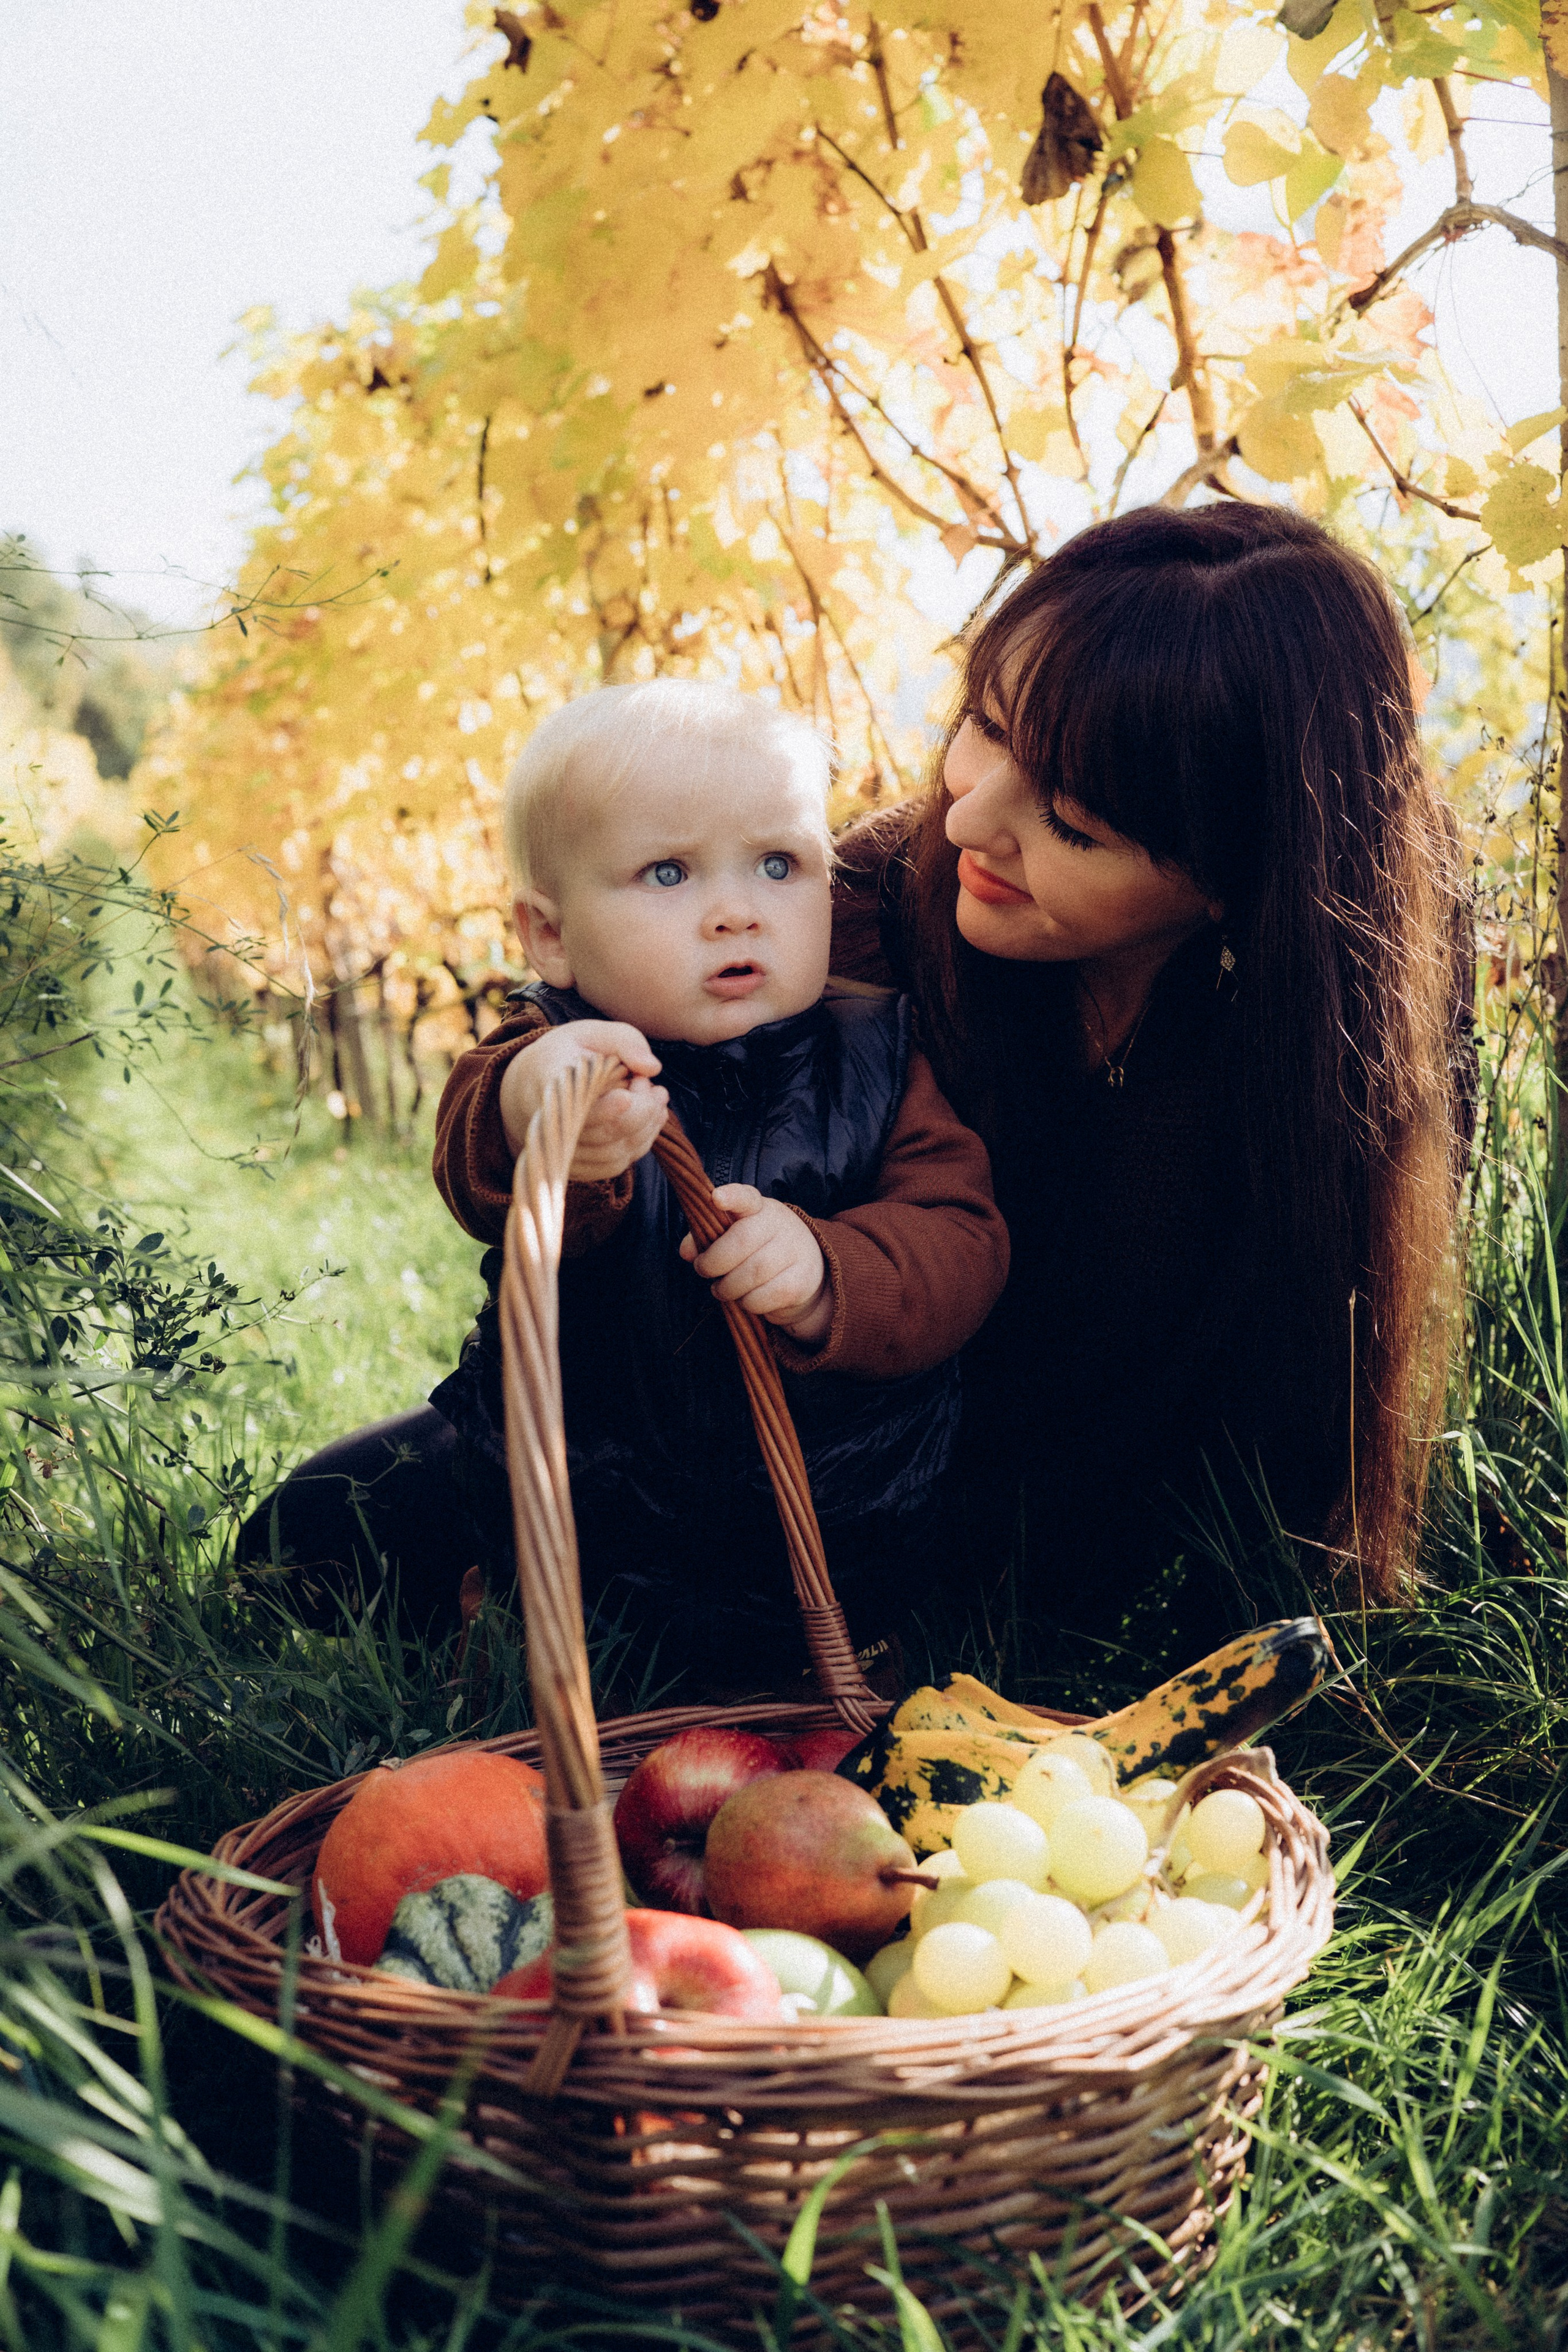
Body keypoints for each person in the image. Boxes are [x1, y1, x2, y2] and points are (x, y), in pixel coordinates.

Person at [240, 680, 1008, 1692]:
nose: (737, 910)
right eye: (668, 873)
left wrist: (832, 1273)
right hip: (588, 1491)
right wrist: (546, 1113)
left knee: (780, 1684)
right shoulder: (557, 1050)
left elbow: (959, 1237)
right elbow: (477, 1150)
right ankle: (478, 1636)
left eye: (781, 864)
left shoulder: (878, 1055)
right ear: (550, 936)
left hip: (832, 1516)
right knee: (307, 1537)